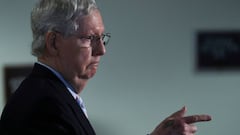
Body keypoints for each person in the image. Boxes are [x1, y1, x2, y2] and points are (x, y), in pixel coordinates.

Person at [0, 0, 211, 135]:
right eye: (90, 39)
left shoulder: (52, 95)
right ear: (54, 42)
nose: (101, 50)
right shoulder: (43, 106)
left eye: (102, 38)